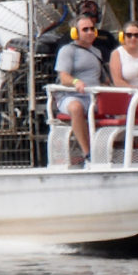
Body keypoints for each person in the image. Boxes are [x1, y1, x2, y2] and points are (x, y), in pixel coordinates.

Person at [51, 10, 105, 166]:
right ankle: (87, 152)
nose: (90, 32)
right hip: (71, 96)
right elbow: (64, 77)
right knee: (76, 107)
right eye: (85, 29)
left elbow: (102, 77)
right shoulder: (67, 51)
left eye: (92, 29)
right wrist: (76, 82)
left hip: (93, 96)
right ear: (75, 33)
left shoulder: (97, 52)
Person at [107, 20, 138, 88]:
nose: (133, 38)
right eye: (129, 35)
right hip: (129, 94)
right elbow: (118, 82)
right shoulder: (117, 54)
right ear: (122, 36)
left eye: (137, 35)